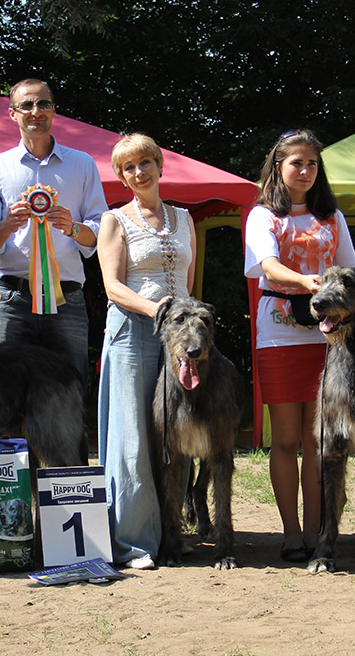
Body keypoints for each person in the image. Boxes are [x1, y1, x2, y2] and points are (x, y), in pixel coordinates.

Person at [243, 129, 355, 563]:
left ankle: (317, 534)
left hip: (329, 342)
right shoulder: (263, 216)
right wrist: (306, 281)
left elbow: (350, 272)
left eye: (312, 163)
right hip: (277, 334)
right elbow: (267, 266)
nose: (306, 170)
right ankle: (291, 534)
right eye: (297, 162)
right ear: (278, 167)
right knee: (287, 440)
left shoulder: (332, 217)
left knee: (319, 441)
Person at [97, 133, 196, 570]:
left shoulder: (185, 218)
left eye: (145, 163)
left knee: (174, 433)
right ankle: (134, 542)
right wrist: (157, 309)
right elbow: (113, 286)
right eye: (129, 167)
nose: (139, 172)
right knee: (133, 435)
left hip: (180, 336)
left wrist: (188, 324)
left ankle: (170, 534)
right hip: (132, 331)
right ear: (121, 176)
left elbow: (189, 282)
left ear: (159, 165)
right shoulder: (114, 221)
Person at [0, 78, 108, 383]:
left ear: (54, 110)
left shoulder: (82, 164)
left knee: (69, 391)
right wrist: (6, 226)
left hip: (66, 298)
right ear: (12, 114)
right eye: (26, 105)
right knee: (3, 394)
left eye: (43, 104)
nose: (36, 111)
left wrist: (72, 228)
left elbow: (102, 231)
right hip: (11, 298)